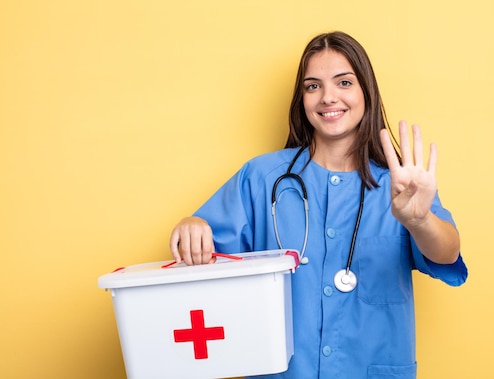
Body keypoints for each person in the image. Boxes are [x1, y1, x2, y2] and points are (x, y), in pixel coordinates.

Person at [169, 31, 468, 379]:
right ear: (302, 99)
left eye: (343, 82)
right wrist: (192, 224)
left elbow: (447, 254)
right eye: (313, 86)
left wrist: (418, 222)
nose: (328, 98)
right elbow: (203, 253)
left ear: (366, 93)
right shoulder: (262, 178)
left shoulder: (400, 184)